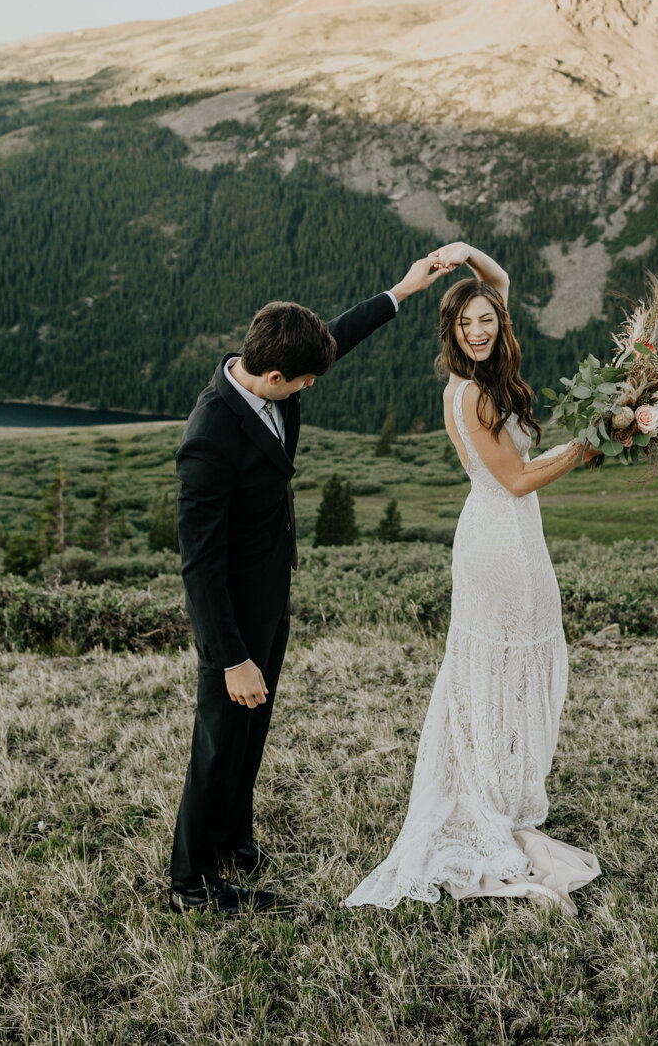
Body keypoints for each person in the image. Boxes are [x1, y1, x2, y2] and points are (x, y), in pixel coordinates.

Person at [168, 256, 447, 917]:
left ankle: (234, 840)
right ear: (271, 377)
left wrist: (403, 291)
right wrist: (230, 655)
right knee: (217, 737)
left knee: (251, 728)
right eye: (299, 385)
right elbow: (198, 563)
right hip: (230, 613)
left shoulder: (273, 369)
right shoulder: (208, 439)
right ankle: (192, 883)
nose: (305, 391)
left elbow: (334, 337)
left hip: (269, 591)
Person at [346, 242, 602, 912]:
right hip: (498, 543)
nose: (480, 330)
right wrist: (584, 444)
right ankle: (486, 802)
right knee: (497, 672)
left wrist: (465, 257)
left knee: (505, 673)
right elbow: (515, 479)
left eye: (487, 320)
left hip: (510, 536)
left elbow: (501, 279)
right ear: (452, 335)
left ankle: (499, 790)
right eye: (467, 325)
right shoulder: (469, 396)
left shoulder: (485, 375)